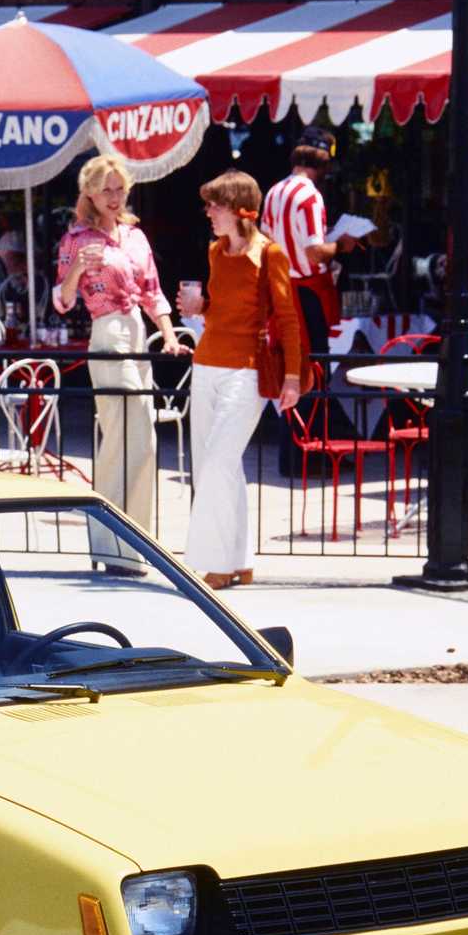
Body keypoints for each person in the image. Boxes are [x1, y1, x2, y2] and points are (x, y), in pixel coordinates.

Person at [183, 170, 305, 590]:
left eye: (214, 205)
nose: (208, 213)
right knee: (215, 464)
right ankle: (239, 559)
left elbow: (288, 318)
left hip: (246, 367)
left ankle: (216, 561)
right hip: (207, 362)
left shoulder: (269, 254)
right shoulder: (216, 252)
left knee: (217, 461)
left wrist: (292, 377)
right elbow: (220, 310)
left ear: (239, 209)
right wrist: (201, 307)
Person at [54, 153, 180, 533]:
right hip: (107, 334)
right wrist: (78, 266)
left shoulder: (135, 236)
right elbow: (62, 300)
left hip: (138, 334)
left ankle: (134, 542)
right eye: (105, 189)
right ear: (89, 194)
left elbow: (153, 291)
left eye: (119, 188)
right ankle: (111, 540)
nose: (114, 196)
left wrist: (170, 335)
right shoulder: (76, 239)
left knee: (141, 441)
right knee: (126, 436)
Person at [259, 130, 359, 346]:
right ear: (323, 163)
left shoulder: (273, 192)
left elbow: (265, 241)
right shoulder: (311, 197)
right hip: (308, 295)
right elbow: (314, 254)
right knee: (314, 361)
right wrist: (341, 244)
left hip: (281, 292)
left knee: (285, 359)